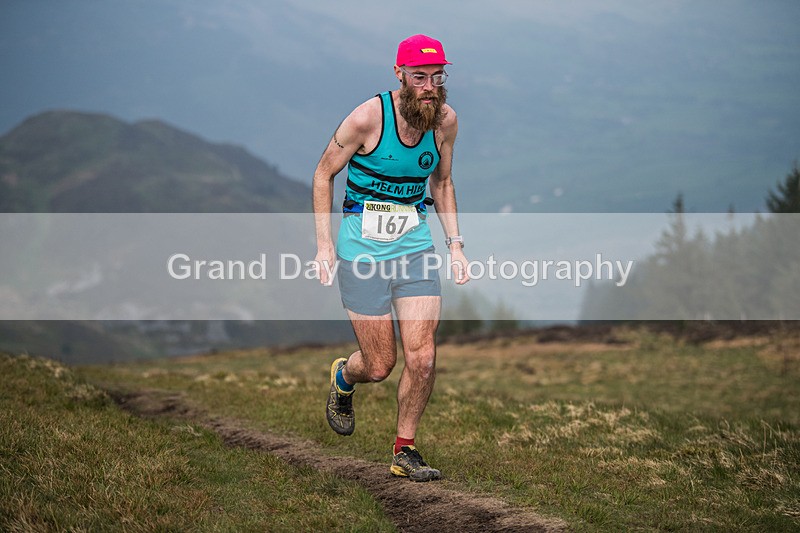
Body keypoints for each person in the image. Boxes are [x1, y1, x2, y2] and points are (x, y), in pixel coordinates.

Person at [312, 34, 469, 482]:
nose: (429, 87)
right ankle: (344, 378)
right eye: (419, 77)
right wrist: (324, 245)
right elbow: (323, 174)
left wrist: (455, 245)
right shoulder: (367, 118)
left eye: (436, 77)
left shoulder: (445, 122)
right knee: (380, 365)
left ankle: (405, 449)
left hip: (414, 249)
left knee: (423, 357)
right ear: (399, 74)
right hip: (361, 252)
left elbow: (442, 182)